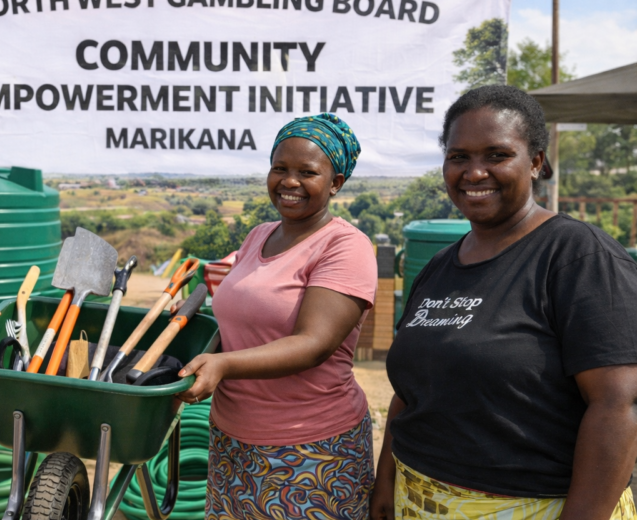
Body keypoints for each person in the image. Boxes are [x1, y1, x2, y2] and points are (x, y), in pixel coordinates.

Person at [369, 85, 637, 519]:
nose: (475, 172)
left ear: (535, 162)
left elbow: (617, 406)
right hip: (418, 501)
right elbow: (412, 391)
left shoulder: (577, 256)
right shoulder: (439, 266)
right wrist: (386, 479)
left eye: (497, 155)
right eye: (459, 156)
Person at [176, 114, 379, 519]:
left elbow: (313, 344)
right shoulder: (259, 235)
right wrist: (182, 331)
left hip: (311, 450)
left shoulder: (345, 246)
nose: (289, 181)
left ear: (335, 182)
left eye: (307, 172)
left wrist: (223, 364)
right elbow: (238, 320)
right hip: (233, 441)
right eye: (280, 168)